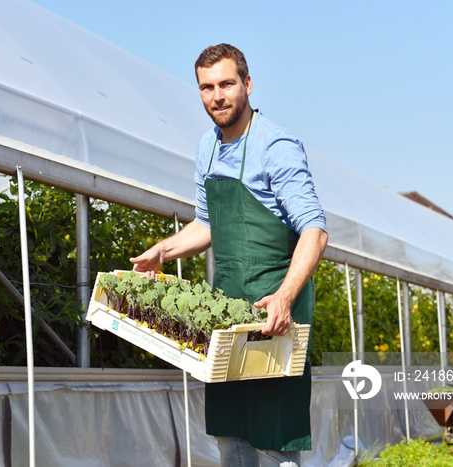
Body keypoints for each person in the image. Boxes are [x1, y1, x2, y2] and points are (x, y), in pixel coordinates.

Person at [130, 43, 327, 466]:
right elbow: (207, 224)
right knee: (230, 434)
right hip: (229, 312)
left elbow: (314, 229)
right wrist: (162, 251)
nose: (217, 96)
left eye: (226, 84)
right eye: (206, 88)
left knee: (274, 441)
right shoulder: (209, 147)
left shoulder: (276, 145)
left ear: (247, 84)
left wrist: (285, 297)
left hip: (276, 314)